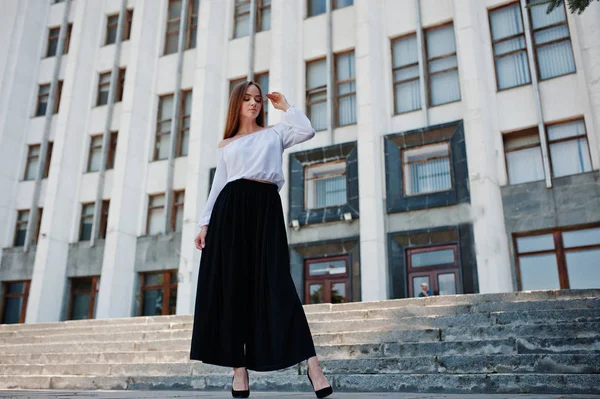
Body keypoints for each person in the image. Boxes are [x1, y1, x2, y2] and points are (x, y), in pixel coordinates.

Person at [190, 81, 333, 399]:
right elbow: (219, 184)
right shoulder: (227, 143)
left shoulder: (275, 133)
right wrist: (204, 224)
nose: (254, 103)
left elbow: (307, 131)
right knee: (234, 289)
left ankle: (313, 365)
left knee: (279, 283)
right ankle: (238, 371)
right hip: (231, 209)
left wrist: (286, 107)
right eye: (247, 99)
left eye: (258, 99)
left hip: (266, 208)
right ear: (236, 104)